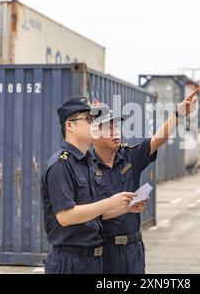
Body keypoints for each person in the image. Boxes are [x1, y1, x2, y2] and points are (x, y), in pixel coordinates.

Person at [93, 89, 199, 274]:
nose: (115, 131)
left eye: (116, 126)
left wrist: (178, 114)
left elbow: (157, 139)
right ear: (94, 134)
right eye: (108, 128)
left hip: (132, 249)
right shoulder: (85, 167)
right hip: (102, 251)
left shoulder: (130, 157)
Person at [41, 96, 144, 274]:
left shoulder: (88, 163)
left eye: (96, 119)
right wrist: (110, 203)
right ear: (69, 126)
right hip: (70, 262)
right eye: (89, 119)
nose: (95, 123)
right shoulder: (61, 164)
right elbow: (65, 217)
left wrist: (126, 207)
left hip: (94, 261)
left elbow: (94, 212)